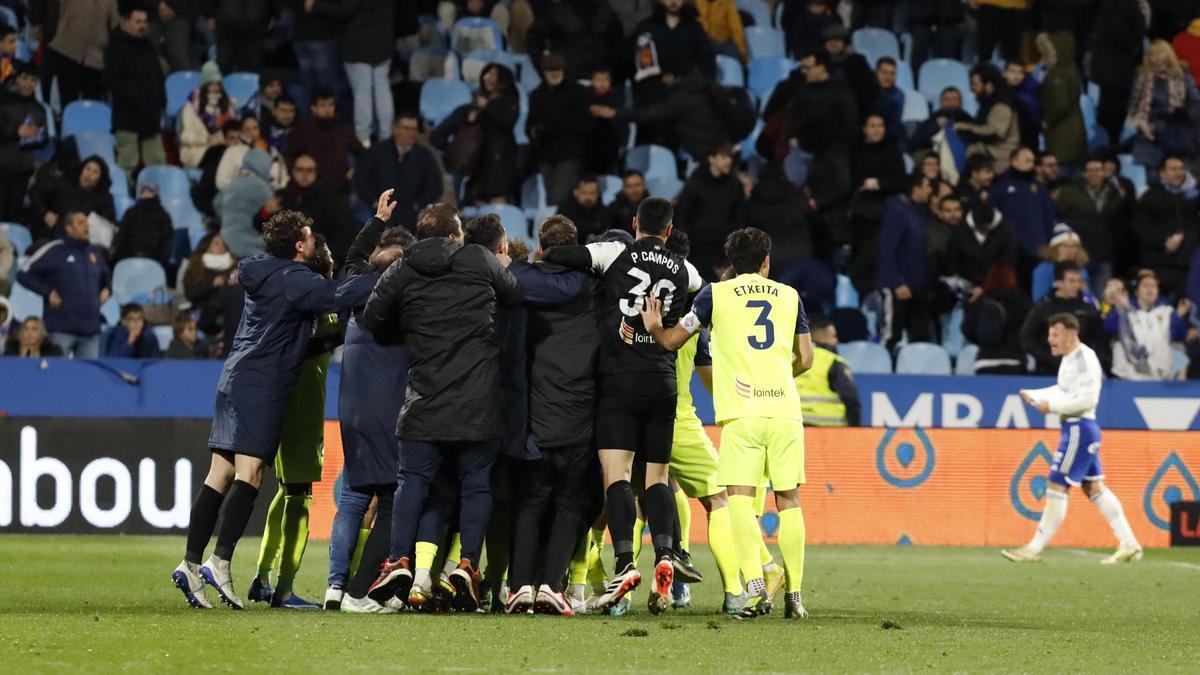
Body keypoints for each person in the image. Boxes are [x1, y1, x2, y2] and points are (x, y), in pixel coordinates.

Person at [169, 209, 377, 610]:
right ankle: (221, 562)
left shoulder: (260, 270)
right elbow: (340, 295)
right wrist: (387, 279)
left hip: (233, 375)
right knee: (251, 473)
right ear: (299, 246)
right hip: (262, 383)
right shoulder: (297, 279)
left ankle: (190, 563)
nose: (314, 237)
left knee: (220, 472)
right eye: (309, 234)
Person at [640, 226, 814, 620]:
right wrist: (779, 379)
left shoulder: (714, 295)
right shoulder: (790, 296)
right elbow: (805, 358)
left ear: (731, 264)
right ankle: (796, 597)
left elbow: (671, 341)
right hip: (786, 412)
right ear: (766, 261)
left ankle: (754, 591)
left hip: (743, 414)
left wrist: (653, 325)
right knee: (789, 501)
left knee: (736, 500)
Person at [539, 196, 702, 616]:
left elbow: (563, 253)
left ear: (634, 223)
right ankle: (666, 553)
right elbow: (700, 288)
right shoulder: (684, 269)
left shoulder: (614, 251)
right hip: (663, 382)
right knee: (658, 478)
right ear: (668, 229)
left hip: (619, 381)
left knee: (617, 478)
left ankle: (625, 563)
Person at [361, 195, 522, 613]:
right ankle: (467, 562)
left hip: (423, 399)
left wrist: (410, 328)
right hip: (478, 401)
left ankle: (398, 559)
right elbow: (513, 294)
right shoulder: (479, 261)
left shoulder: (402, 268)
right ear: (457, 234)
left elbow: (371, 318)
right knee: (476, 485)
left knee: (413, 483)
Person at [645, 230, 745, 615]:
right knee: (717, 499)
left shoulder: (629, 306)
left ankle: (597, 587)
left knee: (640, 499)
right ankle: (734, 592)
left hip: (628, 419)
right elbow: (714, 383)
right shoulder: (693, 317)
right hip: (678, 420)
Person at [249, 235, 343, 610]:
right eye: (329, 252)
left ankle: (263, 577)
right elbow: (332, 331)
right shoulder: (317, 298)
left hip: (281, 401)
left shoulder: (290, 292)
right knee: (300, 496)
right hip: (302, 409)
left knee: (285, 491)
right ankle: (285, 590)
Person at [1004, 312, 1143, 564]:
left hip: (1079, 428)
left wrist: (1052, 407)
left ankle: (1033, 549)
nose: (1049, 340)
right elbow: (1064, 391)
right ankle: (1129, 543)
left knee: (1057, 483)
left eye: (1055, 334)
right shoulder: (1070, 359)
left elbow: (1088, 399)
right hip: (1079, 428)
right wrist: (1036, 395)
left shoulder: (1084, 359)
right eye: (1049, 334)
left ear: (1070, 335)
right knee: (1094, 488)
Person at [331, 202, 417, 613]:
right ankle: (361, 592)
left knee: (354, 499)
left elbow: (350, 260)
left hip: (351, 411)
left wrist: (377, 222)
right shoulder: (401, 308)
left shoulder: (353, 290)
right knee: (393, 501)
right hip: (387, 411)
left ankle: (337, 586)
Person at [590, 57, 724, 163]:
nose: (663, 80)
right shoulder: (700, 86)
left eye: (665, 76)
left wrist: (615, 113)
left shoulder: (683, 96)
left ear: (674, 75)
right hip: (717, 145)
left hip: (709, 151)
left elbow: (651, 113)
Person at [17, 212, 111, 358]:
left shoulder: (94, 252)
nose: (86, 226)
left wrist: (107, 290)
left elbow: (107, 276)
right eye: (80, 223)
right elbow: (23, 273)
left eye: (86, 222)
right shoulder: (55, 250)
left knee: (88, 379)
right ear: (69, 228)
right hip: (61, 329)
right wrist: (48, 292)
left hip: (91, 331)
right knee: (56, 377)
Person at [431, 63, 519, 204]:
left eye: (495, 76)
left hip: (499, 185)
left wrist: (488, 107)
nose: (489, 78)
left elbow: (506, 120)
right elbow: (436, 136)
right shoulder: (468, 111)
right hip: (472, 184)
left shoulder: (509, 109)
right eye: (487, 74)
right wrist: (453, 151)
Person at [314, 0, 394, 147]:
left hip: (358, 44)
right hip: (383, 41)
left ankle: (363, 138)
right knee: (382, 89)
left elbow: (345, 8)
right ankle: (386, 135)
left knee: (362, 92)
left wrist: (315, 6)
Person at [104, 4, 166, 177]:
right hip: (127, 115)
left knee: (157, 161)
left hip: (150, 114)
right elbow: (111, 80)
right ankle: (123, 199)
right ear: (126, 22)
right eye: (138, 21)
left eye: (145, 22)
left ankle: (158, 195)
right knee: (126, 163)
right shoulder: (115, 47)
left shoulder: (148, 45)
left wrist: (160, 100)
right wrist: (134, 95)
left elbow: (158, 75)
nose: (142, 25)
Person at [353, 114, 444, 231]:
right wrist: (373, 201)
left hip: (412, 221)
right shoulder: (377, 151)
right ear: (395, 129)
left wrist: (418, 204)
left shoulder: (424, 155)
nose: (411, 133)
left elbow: (435, 185)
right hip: (380, 218)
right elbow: (360, 178)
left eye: (414, 129)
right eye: (406, 128)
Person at [878, 174, 935, 350]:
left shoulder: (917, 211)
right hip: (900, 288)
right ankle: (882, 372)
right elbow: (888, 249)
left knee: (920, 336)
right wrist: (897, 282)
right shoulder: (897, 211)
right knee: (892, 335)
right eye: (927, 186)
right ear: (916, 188)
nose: (930, 190)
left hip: (916, 288)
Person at [1020, 261, 1106, 375]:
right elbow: (1026, 338)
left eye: (1079, 281)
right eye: (1071, 281)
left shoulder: (1089, 309)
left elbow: (1100, 339)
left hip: (1080, 371)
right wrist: (1048, 358)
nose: (1076, 285)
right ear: (1058, 283)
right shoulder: (1043, 308)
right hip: (1048, 371)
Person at [527, 53, 591, 207]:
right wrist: (532, 131)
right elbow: (530, 122)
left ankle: (563, 230)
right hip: (546, 154)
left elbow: (584, 123)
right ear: (544, 72)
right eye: (550, 70)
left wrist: (549, 127)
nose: (554, 73)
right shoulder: (537, 94)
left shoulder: (577, 92)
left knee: (560, 197)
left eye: (557, 69)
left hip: (569, 153)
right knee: (551, 199)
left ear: (564, 70)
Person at [1126, 40, 1200, 170]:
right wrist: (1142, 124)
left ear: (1169, 54)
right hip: (1151, 131)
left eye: (1159, 53)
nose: (1156, 58)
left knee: (1184, 161)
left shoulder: (1183, 75)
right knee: (1148, 157)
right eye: (1151, 54)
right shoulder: (1142, 77)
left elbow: (1195, 102)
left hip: (1179, 128)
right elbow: (1134, 105)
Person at [675, 143, 745, 279]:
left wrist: (729, 257)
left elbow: (739, 219)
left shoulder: (735, 185)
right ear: (711, 159)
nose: (729, 161)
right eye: (724, 157)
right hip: (697, 251)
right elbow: (683, 216)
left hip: (725, 250)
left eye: (730, 157)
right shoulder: (695, 183)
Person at [1132, 155, 1200, 295]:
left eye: (1181, 168)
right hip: (1160, 263)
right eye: (1173, 169)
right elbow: (1141, 229)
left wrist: (1189, 241)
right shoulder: (1150, 196)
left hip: (1189, 263)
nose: (1179, 173)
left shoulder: (1195, 195)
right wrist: (1164, 241)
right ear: (1162, 173)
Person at [991, 147, 1056, 291]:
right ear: (1014, 162)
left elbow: (1048, 215)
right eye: (1027, 161)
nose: (1031, 165)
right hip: (1010, 251)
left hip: (1037, 250)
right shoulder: (1001, 186)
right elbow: (993, 216)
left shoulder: (1038, 186)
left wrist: (1047, 241)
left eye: (1033, 161)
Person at [1054, 157, 1122, 295]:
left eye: (1098, 170)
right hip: (1079, 255)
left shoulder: (1113, 193)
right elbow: (1058, 218)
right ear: (1084, 173)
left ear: (1104, 172)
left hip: (1104, 255)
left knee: (1103, 298)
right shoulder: (1069, 192)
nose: (1094, 173)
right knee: (1080, 295)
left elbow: (1118, 223)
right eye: (1090, 170)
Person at [1104, 270, 1189, 381]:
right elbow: (1108, 328)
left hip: (1159, 376)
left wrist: (1178, 317)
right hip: (1129, 376)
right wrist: (1120, 308)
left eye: (1153, 286)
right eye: (1145, 285)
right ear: (1136, 291)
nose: (1150, 289)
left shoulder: (1167, 311)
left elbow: (1178, 336)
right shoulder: (1126, 308)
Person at [285, 90, 366, 196]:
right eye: (322, 105)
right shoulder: (303, 130)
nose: (327, 109)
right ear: (313, 108)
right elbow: (288, 155)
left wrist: (356, 171)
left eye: (330, 105)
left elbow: (364, 154)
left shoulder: (344, 129)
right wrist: (300, 175)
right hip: (310, 191)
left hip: (340, 189)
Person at [1091, 0, 1150, 145]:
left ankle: (1111, 144)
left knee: (1112, 110)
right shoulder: (1122, 5)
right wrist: (1135, 49)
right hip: (1118, 69)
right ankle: (1112, 146)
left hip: (1112, 69)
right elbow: (1128, 36)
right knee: (1114, 112)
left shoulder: (1110, 5)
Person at [277, 155, 354, 265]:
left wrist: (326, 259)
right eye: (300, 169)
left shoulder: (330, 198)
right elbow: (262, 225)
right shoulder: (282, 196)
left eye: (309, 170)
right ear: (293, 172)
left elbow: (343, 232)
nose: (305, 174)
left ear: (315, 172)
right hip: (286, 259)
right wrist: (265, 212)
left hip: (319, 260)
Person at [524, 0, 624, 82]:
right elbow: (533, 38)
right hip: (568, 81)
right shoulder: (557, 11)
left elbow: (617, 47)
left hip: (601, 81)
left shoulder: (606, 11)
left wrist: (613, 75)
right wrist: (545, 66)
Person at [0, 63, 49, 223]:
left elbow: (44, 140)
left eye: (33, 80)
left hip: (23, 171)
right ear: (17, 79)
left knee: (14, 216)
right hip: (2, 166)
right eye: (24, 78)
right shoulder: (3, 101)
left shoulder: (39, 109)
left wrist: (36, 135)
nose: (28, 83)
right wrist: (17, 132)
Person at [29, 155, 116, 242]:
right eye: (87, 169)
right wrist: (45, 213)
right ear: (82, 169)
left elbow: (107, 223)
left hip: (83, 241)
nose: (89, 174)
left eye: (95, 172)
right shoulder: (65, 183)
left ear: (100, 178)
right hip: (53, 234)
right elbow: (35, 192)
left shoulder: (104, 198)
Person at [46, 0, 119, 103]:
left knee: (91, 102)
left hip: (95, 58)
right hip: (67, 51)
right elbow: (61, 11)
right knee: (68, 99)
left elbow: (115, 23)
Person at [795, 316, 861, 426]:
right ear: (822, 338)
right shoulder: (832, 362)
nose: (836, 341)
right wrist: (854, 430)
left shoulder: (790, 358)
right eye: (833, 337)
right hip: (829, 433)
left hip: (794, 429)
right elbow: (851, 399)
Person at [956, 63, 1020, 174]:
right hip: (992, 154)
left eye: (975, 84)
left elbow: (994, 134)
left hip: (1001, 161)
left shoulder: (1001, 105)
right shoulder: (989, 100)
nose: (972, 88)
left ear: (989, 86)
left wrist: (964, 127)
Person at [1038, 32, 1086, 169]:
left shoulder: (1057, 74)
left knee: (1061, 178)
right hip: (1075, 134)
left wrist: (1047, 120)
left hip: (1062, 135)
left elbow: (1061, 104)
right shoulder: (1072, 68)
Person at [216, 149, 274, 259]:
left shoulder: (231, 184)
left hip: (228, 239)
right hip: (254, 243)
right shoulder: (265, 189)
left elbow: (217, 204)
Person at [179, 62, 239, 169]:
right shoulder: (190, 107)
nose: (215, 88)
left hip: (224, 147)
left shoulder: (228, 106)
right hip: (198, 151)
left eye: (217, 84)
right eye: (211, 84)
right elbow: (185, 137)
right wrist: (206, 139)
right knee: (221, 155)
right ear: (204, 86)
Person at [215, 116, 288, 191]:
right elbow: (221, 181)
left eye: (255, 128)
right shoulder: (233, 151)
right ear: (241, 133)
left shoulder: (273, 151)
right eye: (247, 129)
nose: (252, 132)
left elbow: (283, 177)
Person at [111, 181, 173, 269]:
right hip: (128, 258)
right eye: (143, 190)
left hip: (154, 260)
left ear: (155, 194)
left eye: (150, 190)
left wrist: (158, 261)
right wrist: (123, 257)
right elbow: (121, 237)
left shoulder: (163, 216)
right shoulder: (130, 212)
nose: (146, 192)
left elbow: (166, 243)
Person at [1030, 224, 1092, 302]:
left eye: (1074, 246)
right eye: (1065, 246)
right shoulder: (1043, 270)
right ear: (1055, 248)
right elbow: (1038, 300)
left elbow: (1087, 297)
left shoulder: (1081, 270)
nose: (1070, 250)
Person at [209, 0, 270, 74]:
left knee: (253, 64)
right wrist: (209, 15)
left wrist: (273, 14)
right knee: (224, 64)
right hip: (226, 25)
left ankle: (250, 84)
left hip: (256, 25)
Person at [910, 87, 973, 153]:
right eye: (947, 100)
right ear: (941, 102)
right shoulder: (933, 119)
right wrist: (936, 126)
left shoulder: (967, 119)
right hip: (936, 156)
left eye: (955, 99)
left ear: (961, 102)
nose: (951, 103)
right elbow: (915, 143)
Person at [556, 175, 610, 244]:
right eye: (584, 192)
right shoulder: (564, 211)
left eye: (592, 193)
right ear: (575, 192)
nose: (588, 197)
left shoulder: (605, 212)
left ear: (598, 194)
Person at [1002, 61, 1041, 150]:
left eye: (1020, 72)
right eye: (1012, 71)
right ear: (1004, 73)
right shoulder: (998, 93)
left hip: (1027, 142)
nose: (1016, 76)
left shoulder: (1030, 93)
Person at [873, 57, 906, 144]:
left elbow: (893, 124)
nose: (888, 77)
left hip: (889, 138)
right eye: (884, 73)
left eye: (892, 73)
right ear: (876, 72)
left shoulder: (898, 95)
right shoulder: (866, 91)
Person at [609, 170, 648, 234]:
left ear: (644, 185)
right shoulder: (613, 208)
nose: (634, 189)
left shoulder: (652, 206)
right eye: (629, 186)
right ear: (624, 188)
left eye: (637, 185)